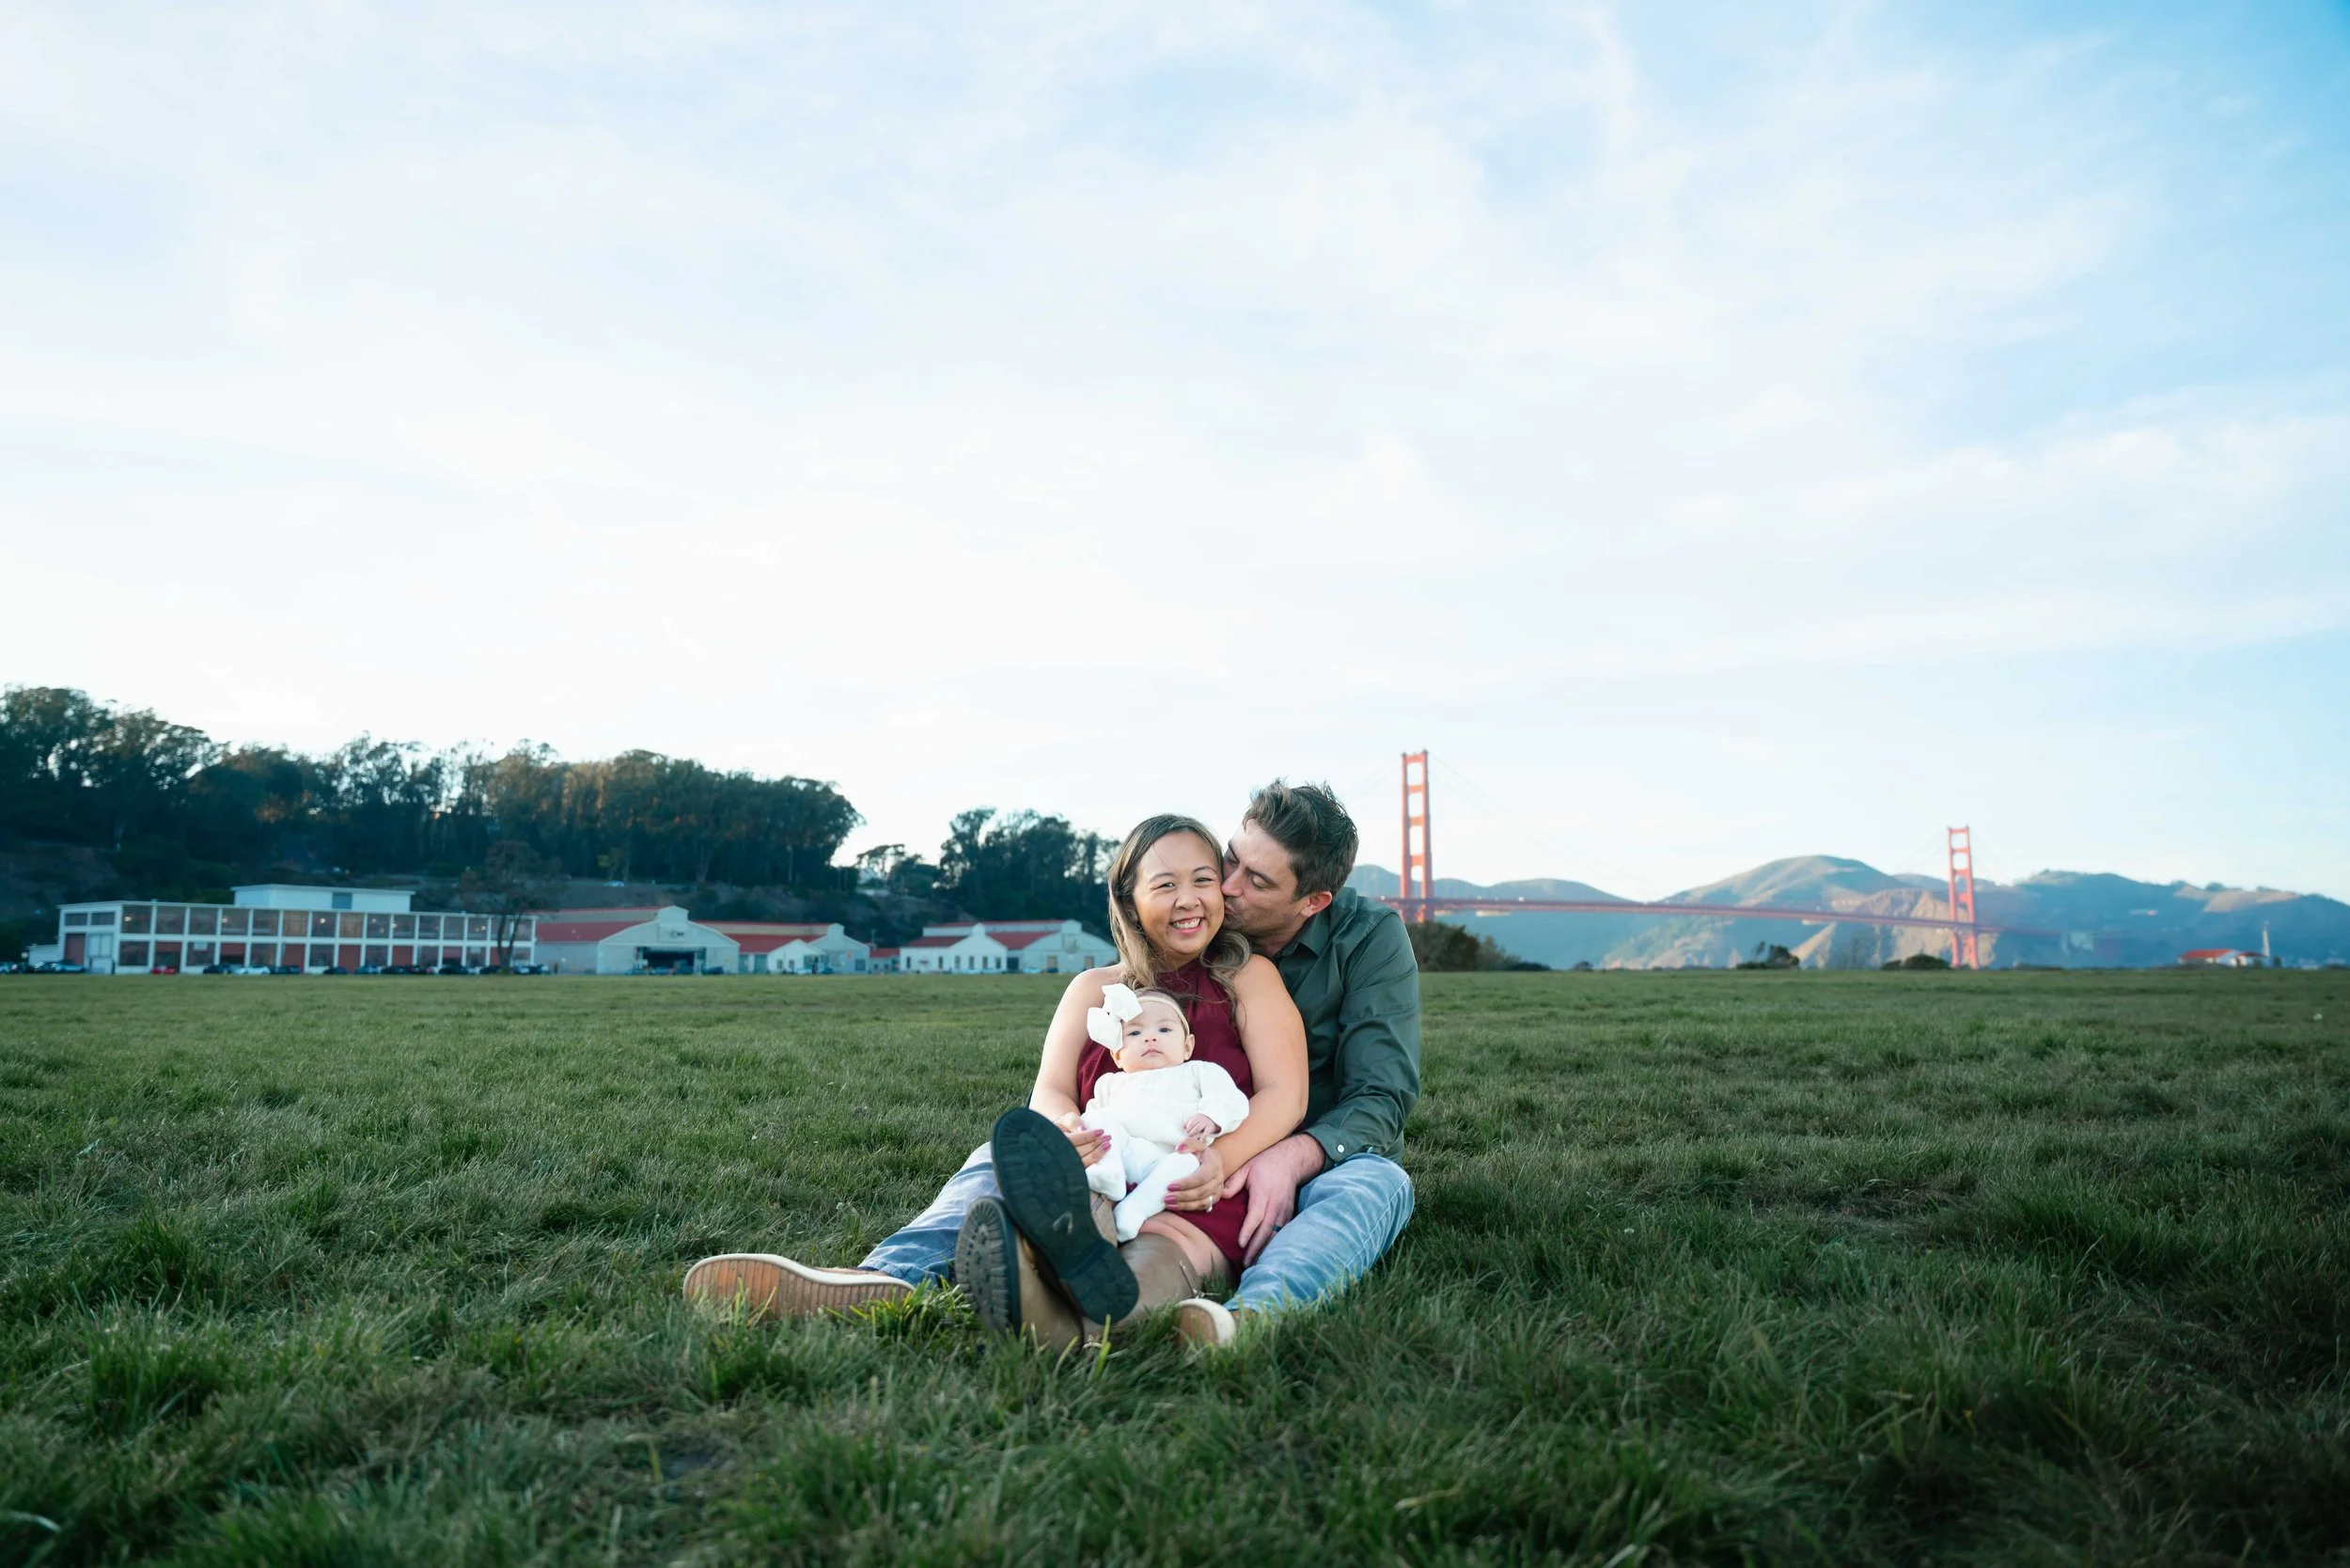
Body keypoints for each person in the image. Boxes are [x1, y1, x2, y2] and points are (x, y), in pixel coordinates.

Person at [682, 782, 1420, 1349]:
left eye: (1240, 881)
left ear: (1313, 899)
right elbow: (1051, 1090)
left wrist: (1254, 1157)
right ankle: (884, 1280)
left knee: (1360, 1187)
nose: (1218, 890)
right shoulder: (1093, 988)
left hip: (1226, 1165)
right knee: (999, 1159)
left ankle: (1209, 1320)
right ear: (1128, 900)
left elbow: (1327, 1094)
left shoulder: (1285, 965)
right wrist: (1058, 1133)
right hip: (1109, 1160)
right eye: (1212, 867)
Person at [1078, 984, 1253, 1242]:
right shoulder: (1110, 1083)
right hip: (1123, 1152)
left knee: (1188, 1164)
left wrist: (1212, 1118)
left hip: (1165, 1158)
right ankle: (1110, 1174)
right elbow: (1092, 1119)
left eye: (1164, 1029)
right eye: (1135, 1032)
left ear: (1187, 1046)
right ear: (1117, 1055)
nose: (1150, 1038)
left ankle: (1134, 1208)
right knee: (1096, 1119)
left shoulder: (1198, 1071)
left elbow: (1231, 1099)